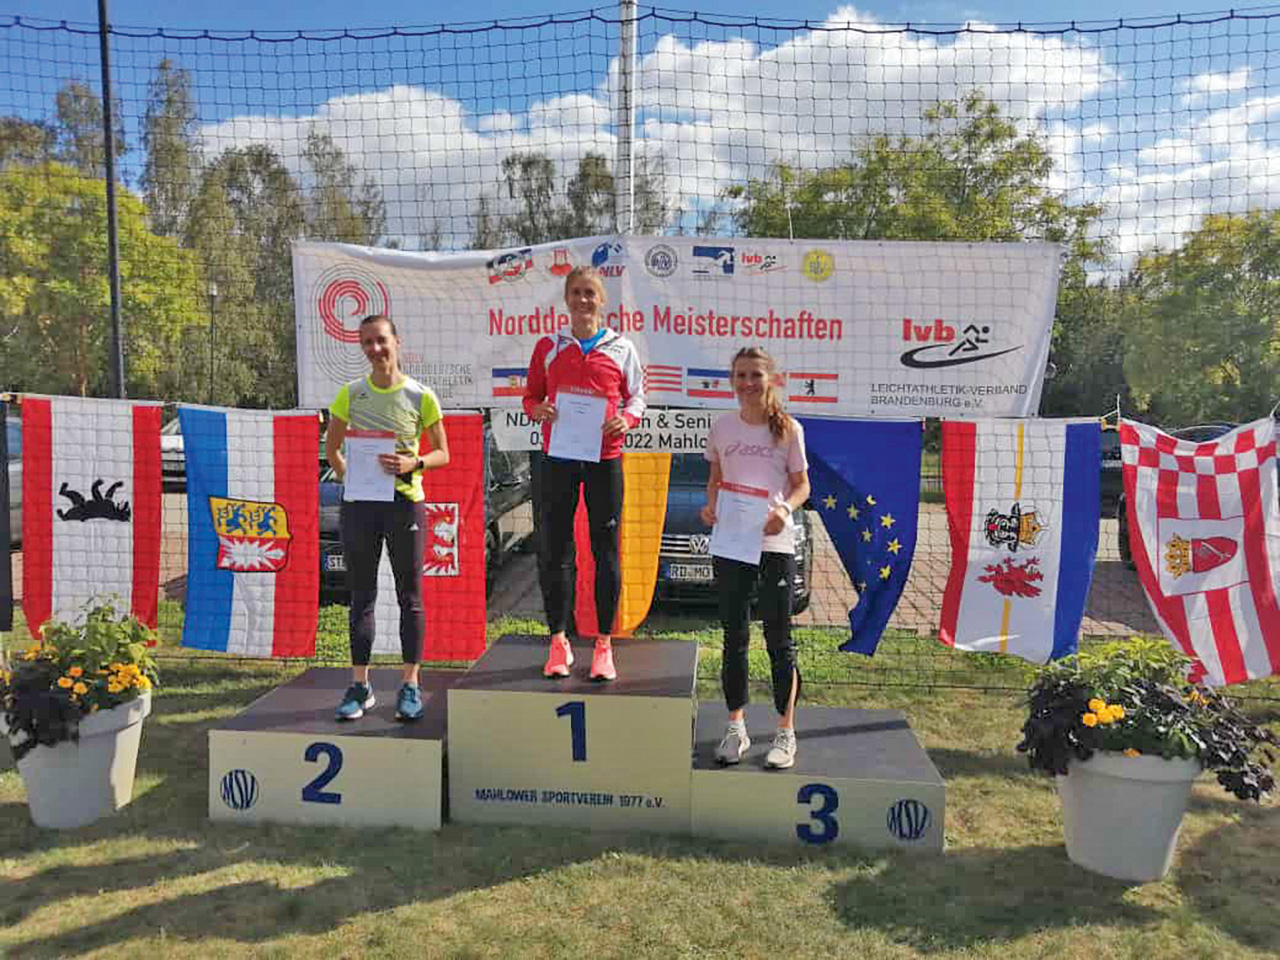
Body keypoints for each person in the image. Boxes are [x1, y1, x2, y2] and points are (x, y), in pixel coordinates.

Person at [523, 265, 645, 681]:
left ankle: (603, 645)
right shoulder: (548, 346)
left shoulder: (621, 348)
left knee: (605, 549)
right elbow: (531, 396)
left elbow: (637, 398)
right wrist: (537, 409)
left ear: (602, 300)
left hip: (604, 458)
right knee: (555, 548)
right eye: (576, 292)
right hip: (558, 456)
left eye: (590, 293)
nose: (582, 300)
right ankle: (559, 641)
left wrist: (627, 419)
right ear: (566, 298)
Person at [326, 313, 450, 722]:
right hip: (360, 506)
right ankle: (360, 686)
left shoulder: (420, 395)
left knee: (409, 597)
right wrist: (349, 476)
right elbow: (332, 448)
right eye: (367, 342)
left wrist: (414, 463)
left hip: (405, 505)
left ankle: (410, 684)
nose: (375, 349)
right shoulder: (351, 393)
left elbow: (442, 453)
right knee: (361, 596)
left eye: (381, 340)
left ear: (397, 342)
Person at [700, 346, 811, 769]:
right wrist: (711, 507)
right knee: (735, 638)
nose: (748, 383)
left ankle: (786, 732)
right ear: (732, 381)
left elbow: (802, 485)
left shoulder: (789, 429)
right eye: (741, 375)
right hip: (732, 545)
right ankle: (736, 728)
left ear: (771, 379)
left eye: (756, 375)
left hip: (774, 546)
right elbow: (716, 479)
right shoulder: (722, 427)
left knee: (779, 641)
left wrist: (784, 510)